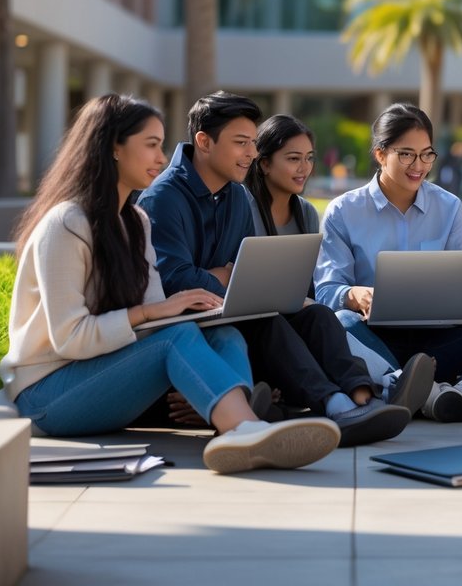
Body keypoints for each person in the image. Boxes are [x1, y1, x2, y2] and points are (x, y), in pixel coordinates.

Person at [0, 94, 340, 474]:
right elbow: (70, 338)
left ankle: (238, 426)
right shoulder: (65, 225)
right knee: (175, 338)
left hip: (106, 372)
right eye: (151, 145)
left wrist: (179, 335)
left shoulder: (136, 222)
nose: (162, 159)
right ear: (113, 148)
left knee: (224, 335)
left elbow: (156, 327)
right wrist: (149, 311)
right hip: (48, 394)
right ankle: (246, 428)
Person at [139, 92, 411, 447]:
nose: (251, 153)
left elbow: (246, 270)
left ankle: (363, 399)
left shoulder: (236, 196)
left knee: (320, 317)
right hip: (188, 333)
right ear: (204, 141)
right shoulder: (163, 198)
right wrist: (224, 275)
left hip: (226, 314)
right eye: (241, 143)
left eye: (253, 143)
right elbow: (177, 282)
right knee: (268, 323)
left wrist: (238, 279)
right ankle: (334, 405)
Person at [314, 103, 462, 422]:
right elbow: (325, 291)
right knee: (340, 322)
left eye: (426, 154)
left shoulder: (449, 208)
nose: (418, 165)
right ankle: (419, 389)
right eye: (407, 154)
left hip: (438, 341)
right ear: (381, 154)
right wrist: (354, 295)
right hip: (373, 341)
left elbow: (458, 281)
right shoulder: (343, 211)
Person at [244, 114, 435, 414]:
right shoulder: (243, 208)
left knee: (321, 316)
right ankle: (360, 397)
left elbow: (306, 288)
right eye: (293, 158)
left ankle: (365, 396)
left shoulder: (305, 213)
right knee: (319, 319)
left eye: (308, 158)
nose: (304, 168)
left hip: (293, 315)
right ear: (264, 163)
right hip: (255, 321)